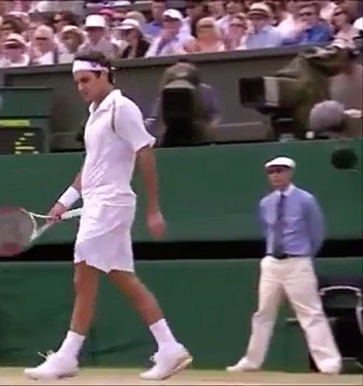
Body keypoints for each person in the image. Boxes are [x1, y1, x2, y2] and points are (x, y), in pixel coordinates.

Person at [23, 51, 192, 381]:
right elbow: (91, 166)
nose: (81, 88)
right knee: (122, 278)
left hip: (111, 204)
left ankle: (68, 355)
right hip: (97, 203)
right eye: (77, 83)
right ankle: (169, 347)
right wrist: (64, 201)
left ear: (104, 75)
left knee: (83, 275)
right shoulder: (93, 113)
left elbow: (145, 153)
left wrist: (153, 207)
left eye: (86, 80)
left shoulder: (122, 108)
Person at [227, 157, 342, 374]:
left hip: (297, 262)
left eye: (280, 171)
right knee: (263, 313)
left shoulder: (306, 200)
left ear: (290, 173)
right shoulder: (266, 203)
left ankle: (329, 363)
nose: (276, 176)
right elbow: (266, 230)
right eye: (271, 172)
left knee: (310, 313)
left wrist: (303, 255)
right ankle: (252, 361)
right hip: (271, 263)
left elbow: (316, 232)